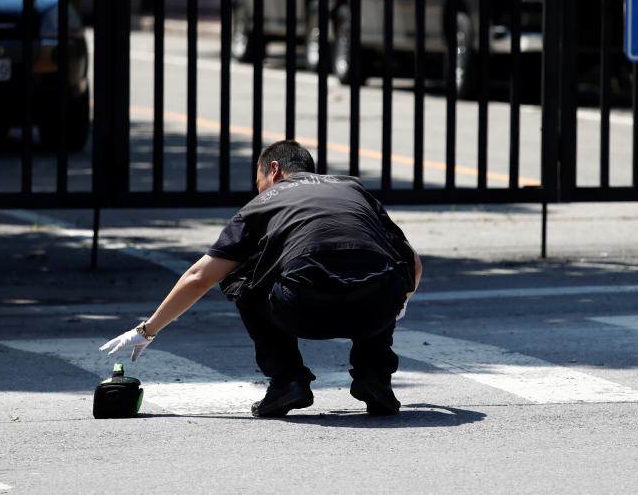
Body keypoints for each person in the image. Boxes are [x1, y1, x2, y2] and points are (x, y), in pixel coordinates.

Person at [100, 139, 422, 417]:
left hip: (304, 306)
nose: (259, 189)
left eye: (259, 181)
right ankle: (374, 378)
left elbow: (200, 277)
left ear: (274, 170)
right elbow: (412, 261)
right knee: (379, 272)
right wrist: (396, 305)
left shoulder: (261, 204)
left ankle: (288, 381)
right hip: (375, 309)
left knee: (240, 277)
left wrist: (148, 330)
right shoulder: (353, 188)